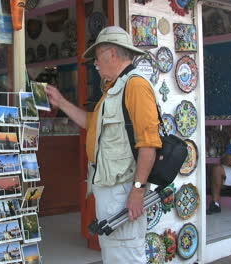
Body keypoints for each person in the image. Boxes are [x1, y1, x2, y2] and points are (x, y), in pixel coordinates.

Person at [45, 26, 162, 263]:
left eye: (97, 58)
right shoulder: (113, 89)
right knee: (115, 253)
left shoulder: (135, 86)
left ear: (111, 54)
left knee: (125, 254)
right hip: (113, 190)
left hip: (124, 190)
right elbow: (92, 124)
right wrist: (61, 102)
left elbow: (149, 144)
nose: (95, 64)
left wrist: (137, 190)